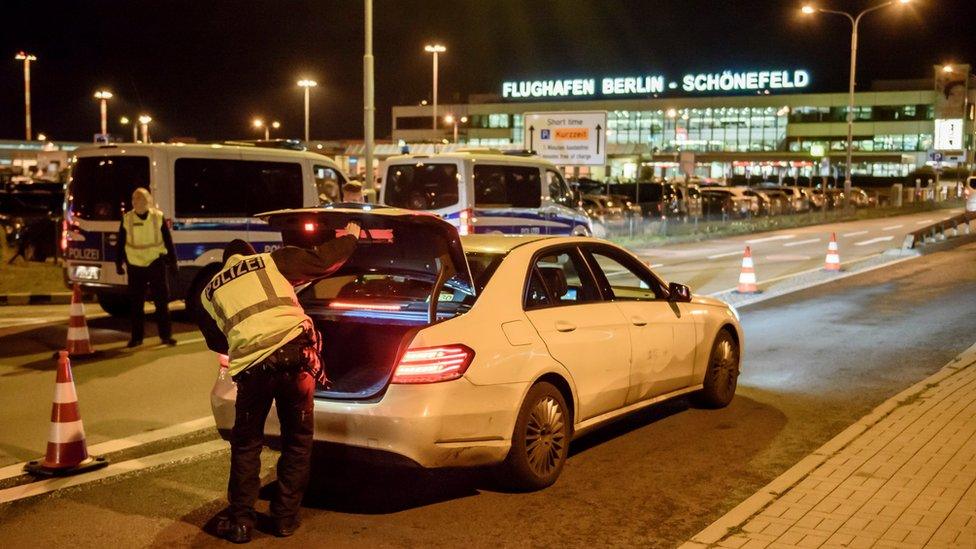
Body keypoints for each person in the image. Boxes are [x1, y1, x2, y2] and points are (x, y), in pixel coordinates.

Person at [197, 221, 361, 544]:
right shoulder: (270, 262)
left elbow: (217, 339)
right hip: (296, 357)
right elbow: (320, 260)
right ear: (249, 255)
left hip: (253, 370)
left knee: (246, 444)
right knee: (297, 440)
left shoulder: (209, 292)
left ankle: (241, 521)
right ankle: (284, 518)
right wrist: (351, 238)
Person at [115, 187, 177, 347]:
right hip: (135, 265)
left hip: (156, 263)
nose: (135, 202)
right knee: (136, 304)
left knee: (161, 303)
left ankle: (166, 336)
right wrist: (118, 263)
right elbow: (120, 242)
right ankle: (136, 338)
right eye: (134, 199)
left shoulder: (157, 217)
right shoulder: (127, 218)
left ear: (147, 201)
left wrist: (173, 262)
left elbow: (168, 240)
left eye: (139, 198)